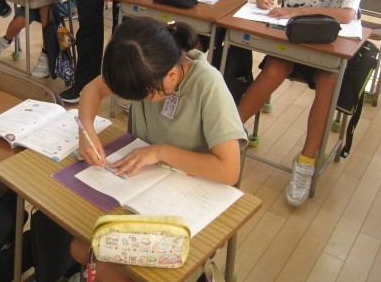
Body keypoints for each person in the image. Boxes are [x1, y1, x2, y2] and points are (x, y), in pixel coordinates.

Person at [66, 17, 247, 281]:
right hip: (141, 190)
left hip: (189, 203)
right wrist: (86, 130)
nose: (140, 101)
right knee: (79, 247)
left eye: (144, 96)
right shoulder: (144, 67)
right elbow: (92, 88)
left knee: (107, 268)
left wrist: (160, 152)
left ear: (171, 76)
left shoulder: (208, 85)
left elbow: (229, 171)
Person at [237, 0, 365, 207]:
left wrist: (298, 12)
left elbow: (347, 14)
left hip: (327, 49)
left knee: (328, 81)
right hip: (292, 44)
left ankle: (306, 161)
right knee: (274, 69)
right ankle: (231, 130)